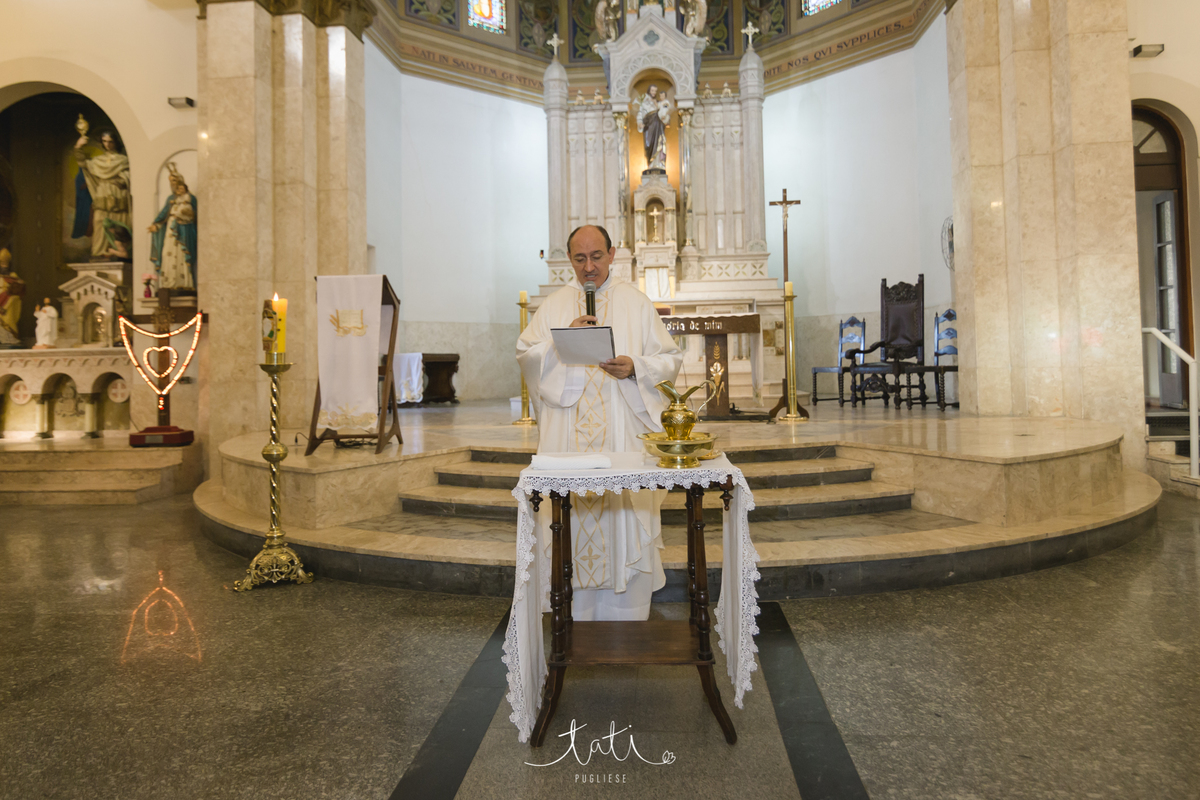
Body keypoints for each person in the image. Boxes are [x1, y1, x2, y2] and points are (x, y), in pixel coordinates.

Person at [516, 224, 682, 621]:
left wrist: (636, 367)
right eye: (579, 258)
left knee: (621, 517)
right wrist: (559, 344)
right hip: (567, 437)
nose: (588, 267)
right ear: (569, 259)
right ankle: (572, 609)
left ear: (612, 254)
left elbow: (669, 359)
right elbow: (526, 355)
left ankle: (625, 610)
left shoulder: (635, 303)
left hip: (621, 433)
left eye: (596, 257)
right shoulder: (554, 305)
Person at [73, 130, 131, 260]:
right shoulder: (98, 161)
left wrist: (123, 180)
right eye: (105, 142)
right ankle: (99, 252)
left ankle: (119, 252)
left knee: (118, 224)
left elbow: (130, 177)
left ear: (116, 142)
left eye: (110, 142)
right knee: (99, 222)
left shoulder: (124, 160)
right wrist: (78, 147)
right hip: (103, 193)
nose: (108, 145)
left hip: (118, 195)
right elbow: (83, 164)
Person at [149, 165, 198, 291]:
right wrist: (156, 224)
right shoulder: (170, 199)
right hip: (171, 230)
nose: (172, 184)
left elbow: (194, 215)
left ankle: (183, 283)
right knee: (167, 254)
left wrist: (184, 216)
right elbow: (164, 213)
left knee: (181, 254)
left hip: (183, 231)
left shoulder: (190, 198)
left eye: (175, 181)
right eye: (170, 181)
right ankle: (169, 282)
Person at [636, 85, 671, 171]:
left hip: (658, 126)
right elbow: (640, 114)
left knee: (660, 143)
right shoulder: (644, 103)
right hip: (648, 126)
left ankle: (659, 163)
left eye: (655, 91)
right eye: (652, 91)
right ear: (649, 91)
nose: (654, 93)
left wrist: (665, 118)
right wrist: (640, 122)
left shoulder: (659, 103)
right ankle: (651, 164)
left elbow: (664, 113)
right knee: (649, 145)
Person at [0, 248, 24, 346]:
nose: (4, 267)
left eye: (5, 265)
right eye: (2, 264)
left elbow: (18, 291)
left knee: (8, 321)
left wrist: (6, 304)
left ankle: (11, 339)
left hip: (9, 304)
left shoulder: (13, 275)